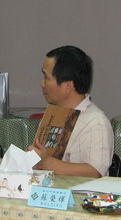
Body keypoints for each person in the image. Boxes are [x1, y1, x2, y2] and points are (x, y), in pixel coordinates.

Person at [28, 45, 114, 177]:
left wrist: (48, 164)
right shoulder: (54, 115)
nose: (42, 84)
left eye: (47, 78)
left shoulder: (95, 122)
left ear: (68, 86)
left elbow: (95, 172)